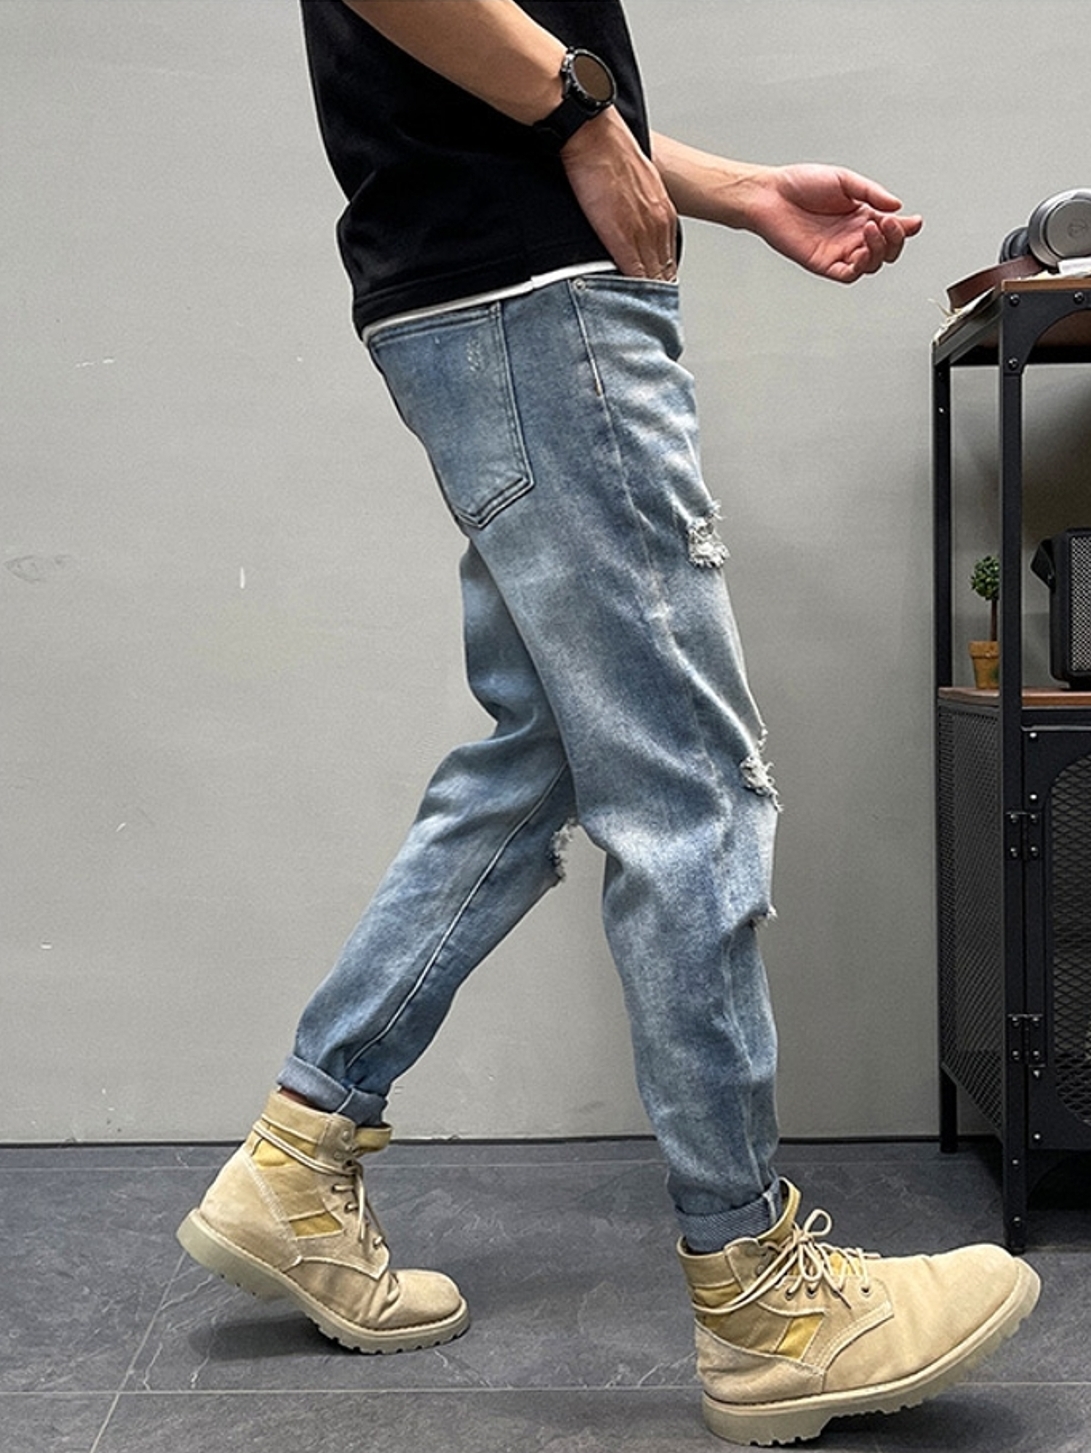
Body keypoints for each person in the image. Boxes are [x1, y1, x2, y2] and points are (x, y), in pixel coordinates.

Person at [178, 2, 1039, 1444]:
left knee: (542, 761)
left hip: (486, 291)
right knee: (690, 787)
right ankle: (762, 1301)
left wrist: (735, 187)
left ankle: (298, 1153)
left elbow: (495, 54)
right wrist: (582, 119)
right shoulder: (552, 157)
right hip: (536, 298)